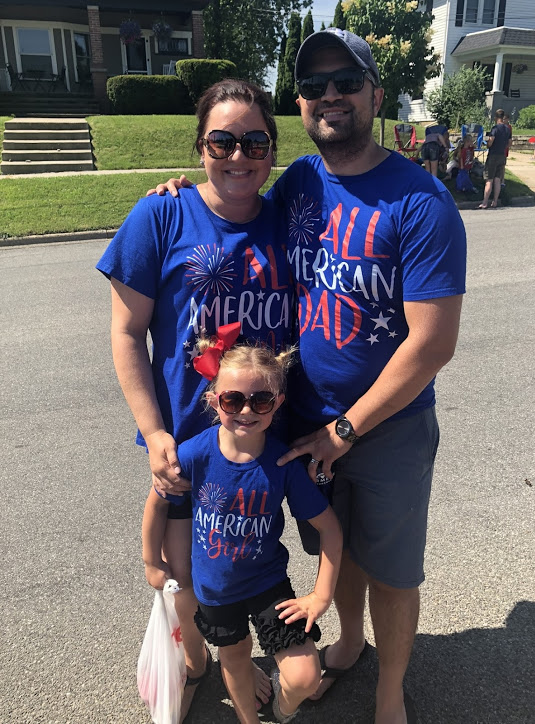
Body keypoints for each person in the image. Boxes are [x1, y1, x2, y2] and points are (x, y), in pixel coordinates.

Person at [150, 27, 467, 724]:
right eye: (315, 85)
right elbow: (229, 201)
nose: (331, 95)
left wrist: (348, 429)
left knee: (391, 568)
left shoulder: (420, 202)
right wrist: (179, 193)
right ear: (300, 104)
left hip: (384, 427)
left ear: (375, 95)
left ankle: (390, 691)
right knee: (335, 543)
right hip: (299, 421)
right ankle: (350, 644)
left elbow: (434, 342)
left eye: (346, 81)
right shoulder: (296, 183)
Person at [96, 78, 298, 719]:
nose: (239, 156)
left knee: (242, 557)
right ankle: (197, 659)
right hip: (186, 439)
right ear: (200, 147)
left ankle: (229, 651)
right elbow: (127, 334)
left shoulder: (289, 221)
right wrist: (155, 434)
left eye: (254, 141)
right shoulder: (160, 214)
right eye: (222, 141)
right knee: (185, 570)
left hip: (259, 436)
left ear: (271, 148)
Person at [142, 334, 343, 724]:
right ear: (214, 400)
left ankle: (283, 711)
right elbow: (157, 503)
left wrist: (322, 595)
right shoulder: (194, 453)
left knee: (305, 675)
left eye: (261, 400)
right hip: (215, 591)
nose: (247, 410)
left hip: (267, 584)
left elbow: (330, 530)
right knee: (233, 659)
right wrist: (151, 560)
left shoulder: (282, 463)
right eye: (233, 400)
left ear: (278, 403)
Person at [479, 108, 512, 208]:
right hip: (502, 155)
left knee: (489, 179)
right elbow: (509, 143)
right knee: (498, 179)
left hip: (493, 155)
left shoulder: (495, 128)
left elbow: (491, 140)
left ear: (496, 117)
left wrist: (488, 144)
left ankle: (485, 202)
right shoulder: (507, 129)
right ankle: (495, 201)